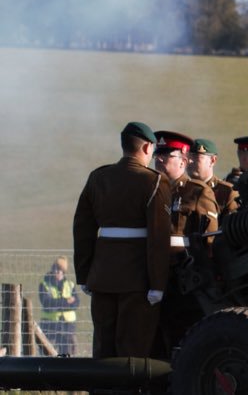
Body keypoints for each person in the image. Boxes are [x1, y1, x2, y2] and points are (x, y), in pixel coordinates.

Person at [73, 121, 173, 359]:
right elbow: (159, 238)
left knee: (103, 350)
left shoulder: (98, 177)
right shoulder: (154, 181)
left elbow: (83, 230)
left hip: (102, 277)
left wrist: (85, 274)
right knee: (133, 352)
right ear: (147, 147)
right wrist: (158, 284)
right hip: (138, 281)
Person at [152, 131, 220, 357]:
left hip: (184, 285)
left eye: (166, 155)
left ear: (183, 161)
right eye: (157, 154)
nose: (159, 159)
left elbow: (210, 242)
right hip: (154, 278)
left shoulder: (197, 192)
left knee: (182, 341)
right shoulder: (150, 191)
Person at [38, 257, 80, 356]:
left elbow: (76, 303)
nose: (56, 271)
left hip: (67, 326)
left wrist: (57, 303)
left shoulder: (70, 285)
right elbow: (47, 303)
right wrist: (66, 301)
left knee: (68, 354)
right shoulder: (44, 284)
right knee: (48, 353)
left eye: (59, 269)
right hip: (50, 325)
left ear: (63, 271)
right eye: (55, 268)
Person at [189, 138, 238, 217]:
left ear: (212, 160)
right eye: (188, 156)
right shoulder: (180, 189)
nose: (190, 161)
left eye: (196, 157)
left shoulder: (227, 192)